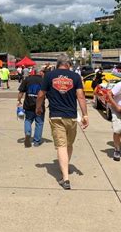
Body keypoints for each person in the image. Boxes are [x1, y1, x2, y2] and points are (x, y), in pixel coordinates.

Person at [36, 54, 89, 190]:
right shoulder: (75, 77)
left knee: (62, 145)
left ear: (57, 63)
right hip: (71, 116)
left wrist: (38, 107)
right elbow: (81, 96)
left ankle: (65, 177)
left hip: (56, 116)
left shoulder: (49, 76)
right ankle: (66, 173)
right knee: (68, 144)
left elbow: (41, 94)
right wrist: (85, 115)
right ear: (69, 65)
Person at [17, 68, 45, 147]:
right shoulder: (44, 81)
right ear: (40, 72)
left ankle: (28, 133)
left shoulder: (27, 79)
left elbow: (21, 91)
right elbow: (48, 93)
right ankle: (36, 141)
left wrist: (19, 100)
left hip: (28, 104)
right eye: (43, 72)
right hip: (39, 105)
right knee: (39, 123)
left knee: (28, 120)